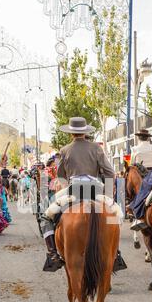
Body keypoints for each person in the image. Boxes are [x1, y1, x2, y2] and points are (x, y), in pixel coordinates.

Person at [40, 117, 127, 273]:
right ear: (85, 132)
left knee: (46, 216)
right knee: (115, 215)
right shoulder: (96, 148)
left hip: (74, 190)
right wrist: (108, 192)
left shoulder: (65, 150)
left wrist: (65, 187)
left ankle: (52, 254)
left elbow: (61, 176)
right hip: (96, 190)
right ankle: (115, 253)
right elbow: (109, 172)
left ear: (71, 133)